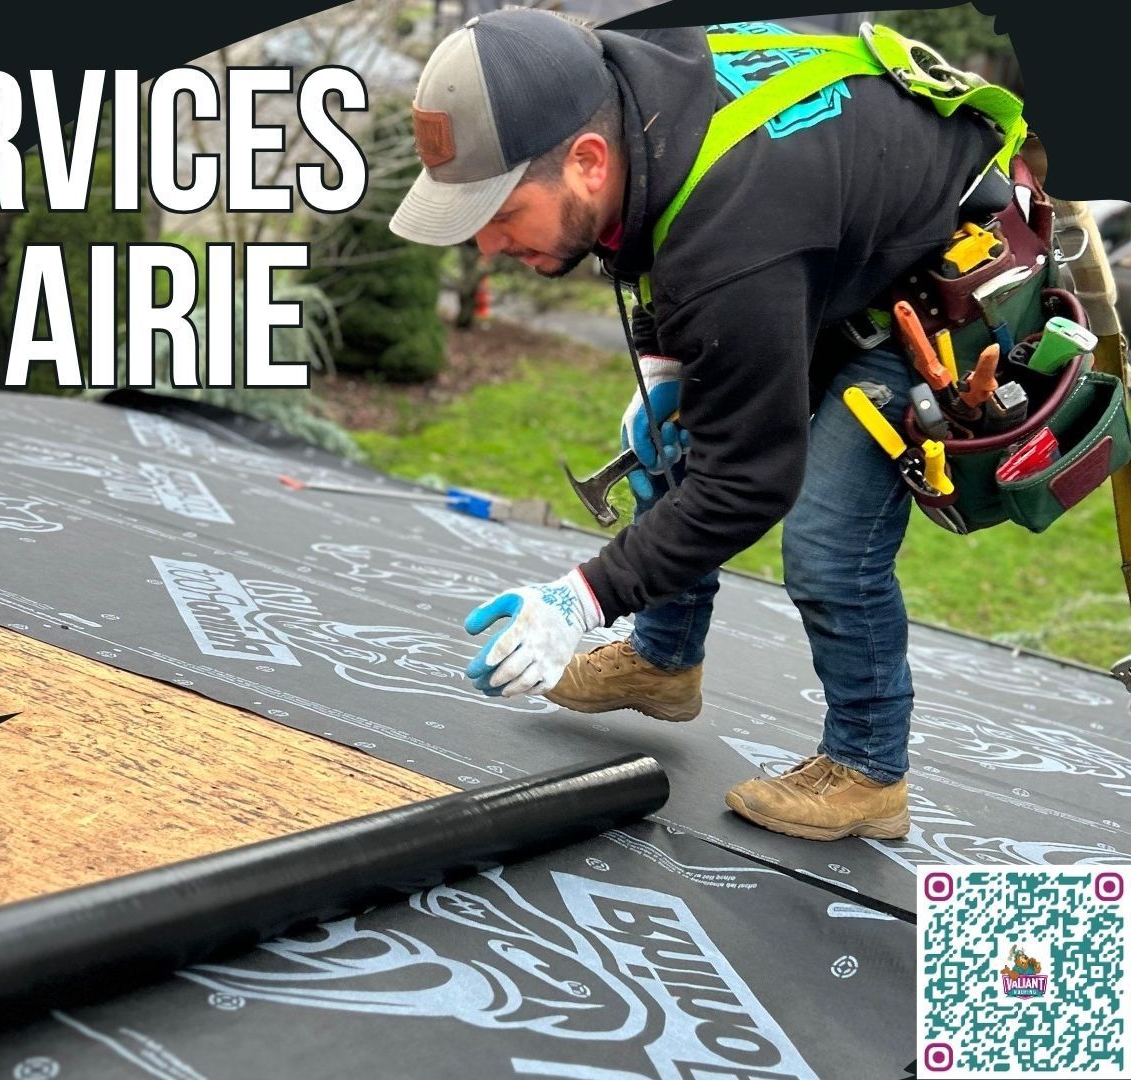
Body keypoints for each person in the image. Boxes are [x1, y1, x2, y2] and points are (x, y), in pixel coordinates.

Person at [388, 9, 1020, 841]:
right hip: (826, 245)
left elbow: (750, 480)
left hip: (938, 287)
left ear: (585, 161)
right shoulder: (623, 87)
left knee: (828, 541)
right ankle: (663, 662)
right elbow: (646, 229)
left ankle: (870, 771)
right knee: (675, 438)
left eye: (501, 213)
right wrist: (662, 374)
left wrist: (583, 600)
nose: (489, 245)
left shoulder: (732, 233)